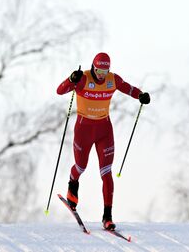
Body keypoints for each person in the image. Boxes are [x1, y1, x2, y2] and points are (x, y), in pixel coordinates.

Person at [56, 52, 150, 231]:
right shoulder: (83, 78)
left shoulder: (112, 80)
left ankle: (107, 217)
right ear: (93, 67)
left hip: (104, 130)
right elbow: (60, 91)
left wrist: (141, 95)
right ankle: (73, 183)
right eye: (99, 70)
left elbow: (128, 88)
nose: (101, 74)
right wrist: (71, 79)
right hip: (84, 129)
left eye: (105, 71)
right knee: (81, 167)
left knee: (106, 172)